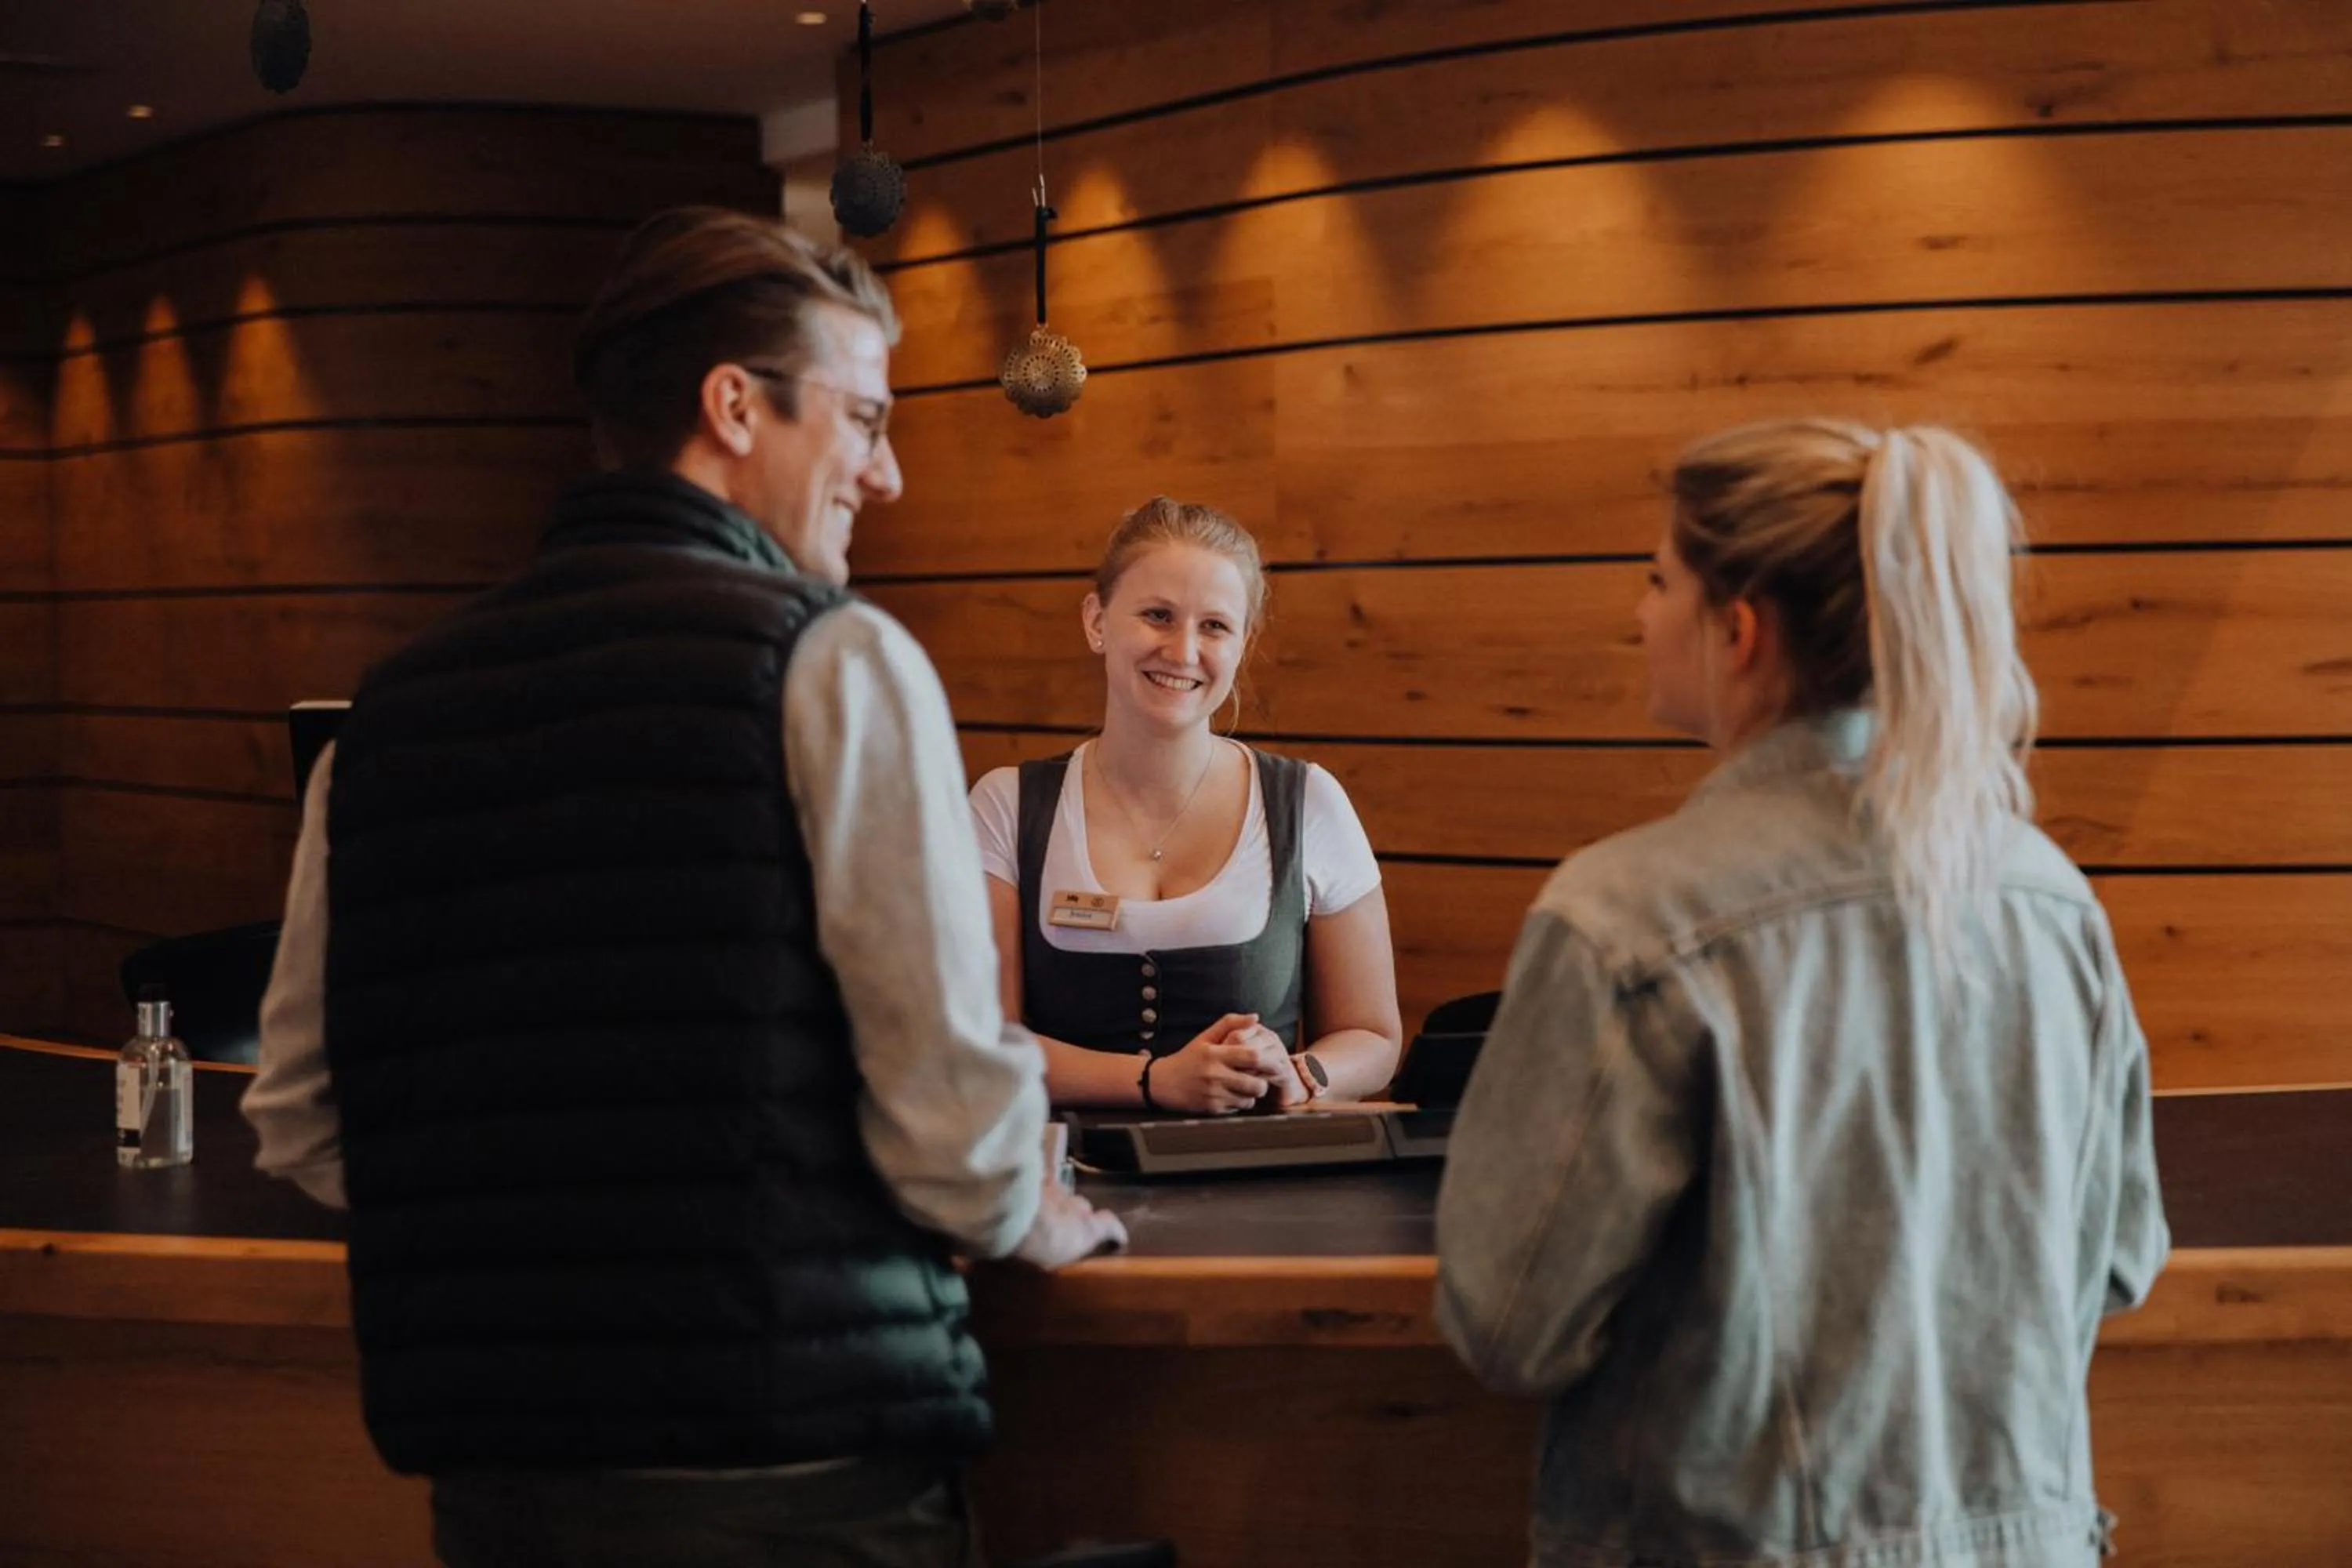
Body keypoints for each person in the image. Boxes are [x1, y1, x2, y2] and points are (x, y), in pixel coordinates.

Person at [241, 205, 1124, 1568]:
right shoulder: (838, 664)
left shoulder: (386, 717)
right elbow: (952, 1122)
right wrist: (1030, 1209)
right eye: (865, 419)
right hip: (790, 1463)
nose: (886, 474)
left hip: (499, 1473)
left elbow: (304, 1118)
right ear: (735, 407)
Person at [1436, 419, 2169, 1567]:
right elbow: (2120, 1257)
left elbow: (1510, 1321)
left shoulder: (1623, 916)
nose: (1638, 614)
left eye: (1657, 581)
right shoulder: (2052, 898)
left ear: (1740, 630)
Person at [969, 497, 1403, 1114]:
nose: (1182, 651)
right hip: (1057, 1169)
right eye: (1158, 616)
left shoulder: (1309, 801)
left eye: (1215, 626)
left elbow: (1374, 1036)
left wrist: (1299, 1072)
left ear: (1244, 643)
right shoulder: (1005, 806)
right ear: (1096, 621)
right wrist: (1155, 1080)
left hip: (1256, 1174)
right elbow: (981, 1044)